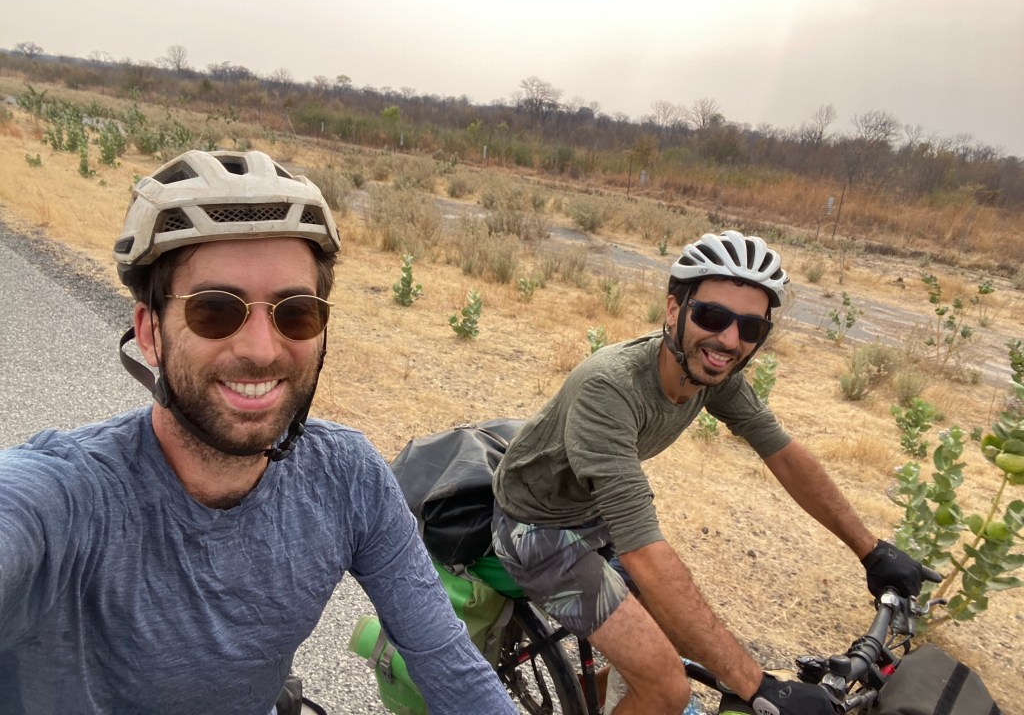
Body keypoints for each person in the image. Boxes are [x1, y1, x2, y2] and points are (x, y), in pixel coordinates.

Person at [0, 150, 516, 715]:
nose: (262, 349)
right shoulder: (65, 499)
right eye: (215, 310)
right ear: (149, 333)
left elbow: (449, 665)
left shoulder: (347, 477)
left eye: (295, 313)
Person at [491, 230, 936, 715]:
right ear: (672, 311)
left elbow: (782, 451)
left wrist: (871, 551)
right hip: (537, 528)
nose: (728, 340)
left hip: (591, 512)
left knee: (666, 638)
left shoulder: (711, 372)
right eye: (713, 316)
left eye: (750, 329)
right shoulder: (610, 389)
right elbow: (644, 553)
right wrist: (759, 685)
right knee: (668, 687)